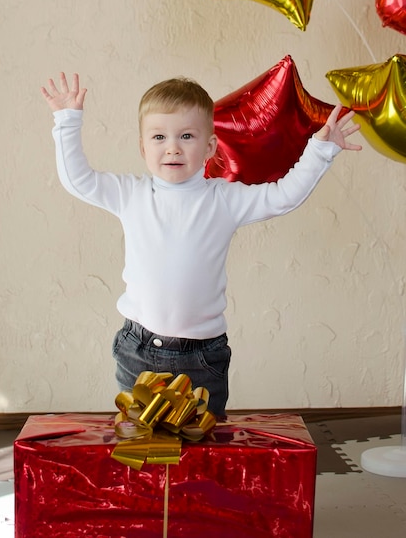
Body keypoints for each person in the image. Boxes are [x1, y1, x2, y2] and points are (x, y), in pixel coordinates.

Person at [41, 72, 361, 416]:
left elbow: (283, 196)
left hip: (202, 357)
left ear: (209, 147)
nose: (173, 147)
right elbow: (79, 180)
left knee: (202, 453)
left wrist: (320, 151)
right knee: (141, 448)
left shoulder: (223, 199)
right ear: (143, 147)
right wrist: (67, 121)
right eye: (159, 137)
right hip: (138, 349)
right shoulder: (130, 194)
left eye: (187, 136)